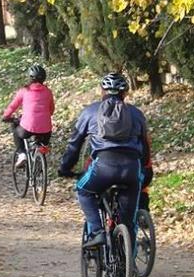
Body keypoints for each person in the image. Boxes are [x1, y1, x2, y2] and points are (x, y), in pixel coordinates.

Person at [58, 73, 152, 248]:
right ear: (125, 93)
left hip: (103, 168)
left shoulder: (89, 112)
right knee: (129, 222)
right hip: (131, 170)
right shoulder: (136, 114)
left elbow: (75, 144)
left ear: (102, 91)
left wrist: (65, 168)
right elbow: (145, 148)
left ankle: (97, 232)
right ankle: (127, 270)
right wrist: (145, 170)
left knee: (83, 190)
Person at [1, 64, 54, 168]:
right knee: (42, 144)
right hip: (46, 130)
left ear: (29, 78)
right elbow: (51, 110)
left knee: (16, 129)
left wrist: (5, 116)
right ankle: (40, 160)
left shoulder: (24, 91)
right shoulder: (48, 92)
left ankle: (22, 155)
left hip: (28, 128)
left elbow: (13, 106)